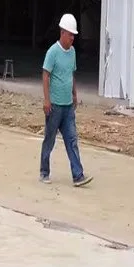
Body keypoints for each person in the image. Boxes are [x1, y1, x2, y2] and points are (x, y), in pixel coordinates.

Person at [39, 13, 91, 187]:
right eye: (70, 35)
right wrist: (47, 100)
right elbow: (46, 75)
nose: (72, 38)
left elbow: (71, 74)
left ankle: (78, 175)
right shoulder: (53, 52)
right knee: (49, 140)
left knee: (72, 140)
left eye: (74, 35)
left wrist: (74, 94)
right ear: (62, 33)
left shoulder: (72, 52)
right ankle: (44, 171)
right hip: (54, 106)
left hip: (68, 106)